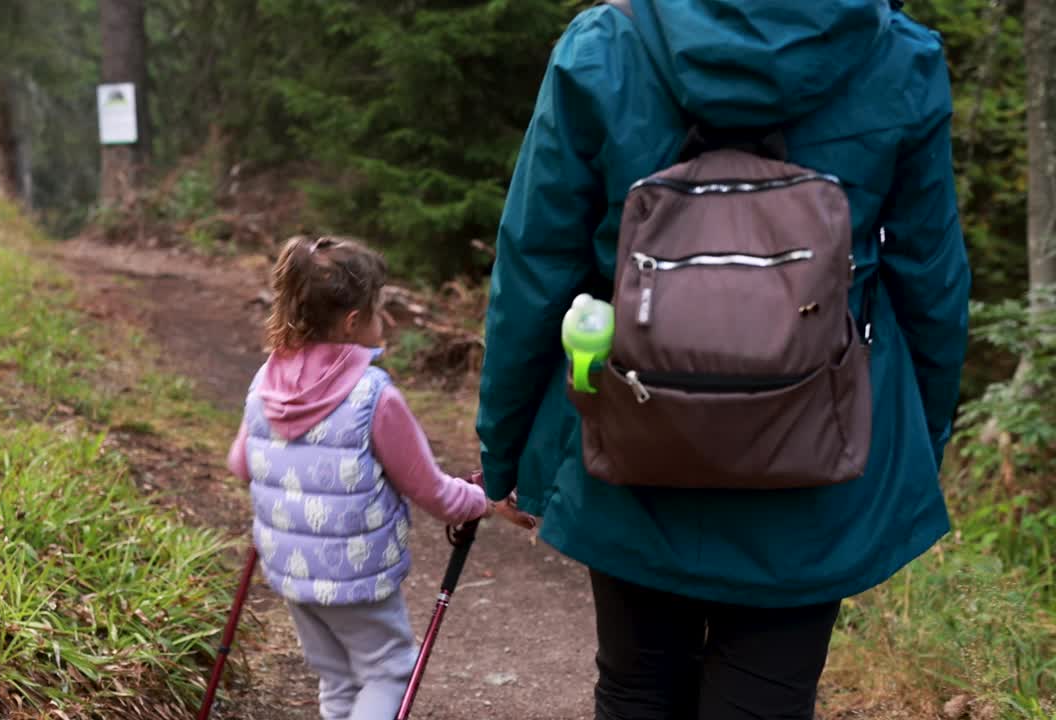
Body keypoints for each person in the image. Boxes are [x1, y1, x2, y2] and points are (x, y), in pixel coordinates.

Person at [476, 2, 971, 719]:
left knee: (637, 690)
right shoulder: (896, 56)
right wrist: (923, 438)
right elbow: (930, 275)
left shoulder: (608, 43)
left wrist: (507, 451)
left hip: (634, 446)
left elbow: (535, 264)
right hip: (816, 465)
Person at [227, 235, 531, 720]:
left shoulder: (266, 380)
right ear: (352, 322)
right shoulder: (373, 397)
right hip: (356, 577)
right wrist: (485, 499)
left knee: (339, 677)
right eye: (378, 310)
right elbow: (432, 491)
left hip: (290, 571)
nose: (384, 321)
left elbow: (241, 463)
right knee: (388, 670)